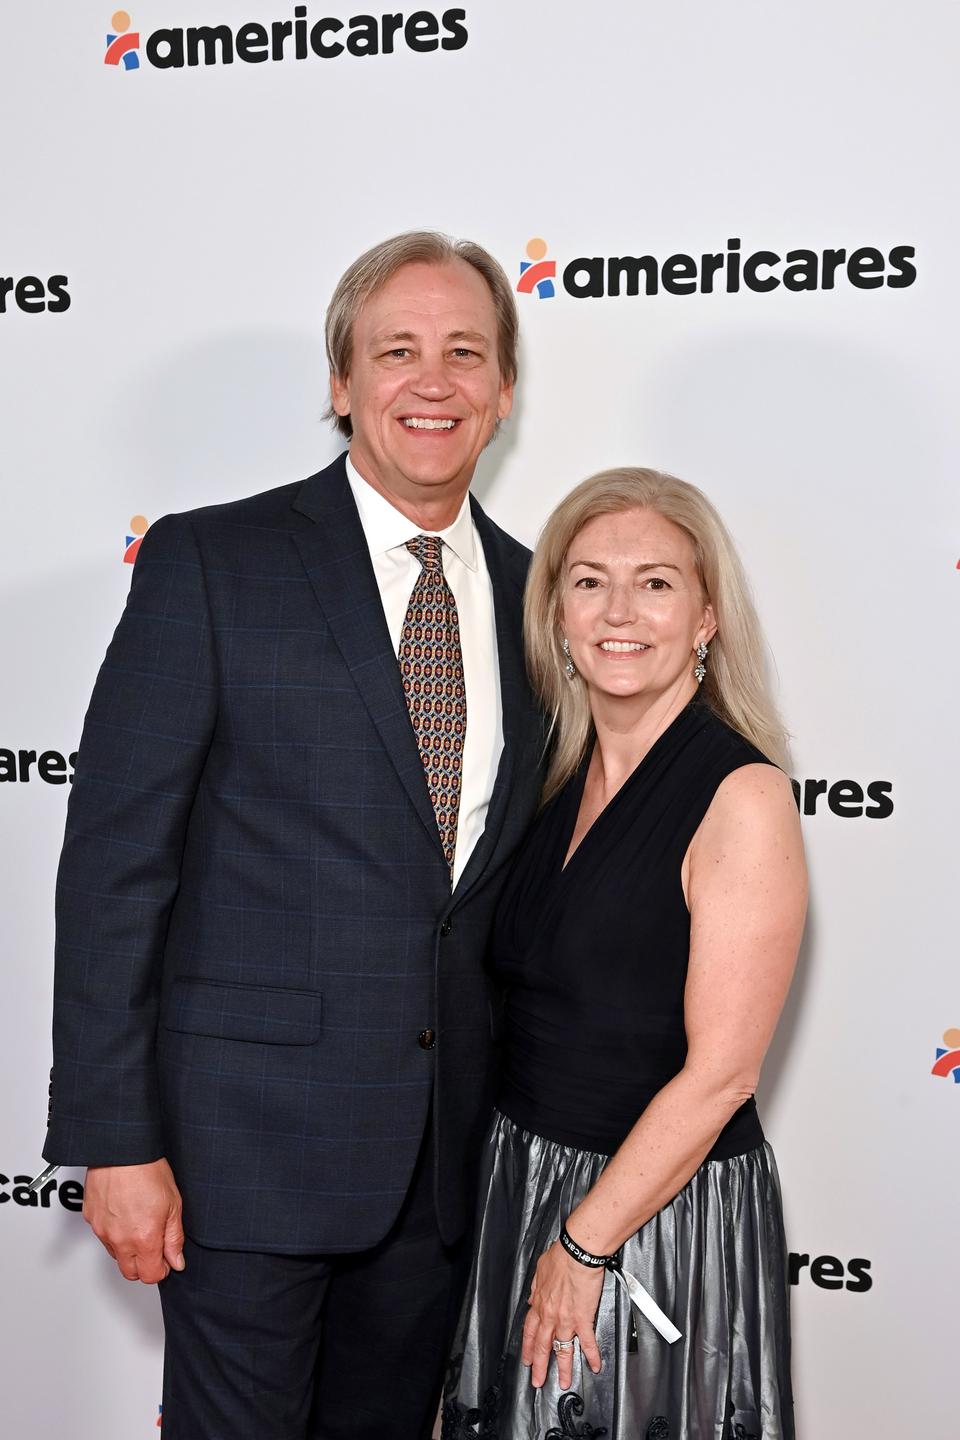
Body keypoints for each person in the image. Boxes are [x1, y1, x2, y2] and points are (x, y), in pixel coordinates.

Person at [43, 232, 545, 1440]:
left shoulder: (544, 598)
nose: (434, 381)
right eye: (397, 351)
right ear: (341, 382)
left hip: (441, 1173)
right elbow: (116, 866)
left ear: (504, 392)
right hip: (242, 1154)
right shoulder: (216, 562)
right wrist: (115, 1139)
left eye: (465, 352)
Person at [442, 468, 806, 1440]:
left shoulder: (743, 797)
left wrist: (585, 1242)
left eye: (655, 583)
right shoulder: (548, 779)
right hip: (520, 1184)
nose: (620, 611)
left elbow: (722, 1074)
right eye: (591, 580)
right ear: (556, 610)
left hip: (649, 1216)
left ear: (705, 619)